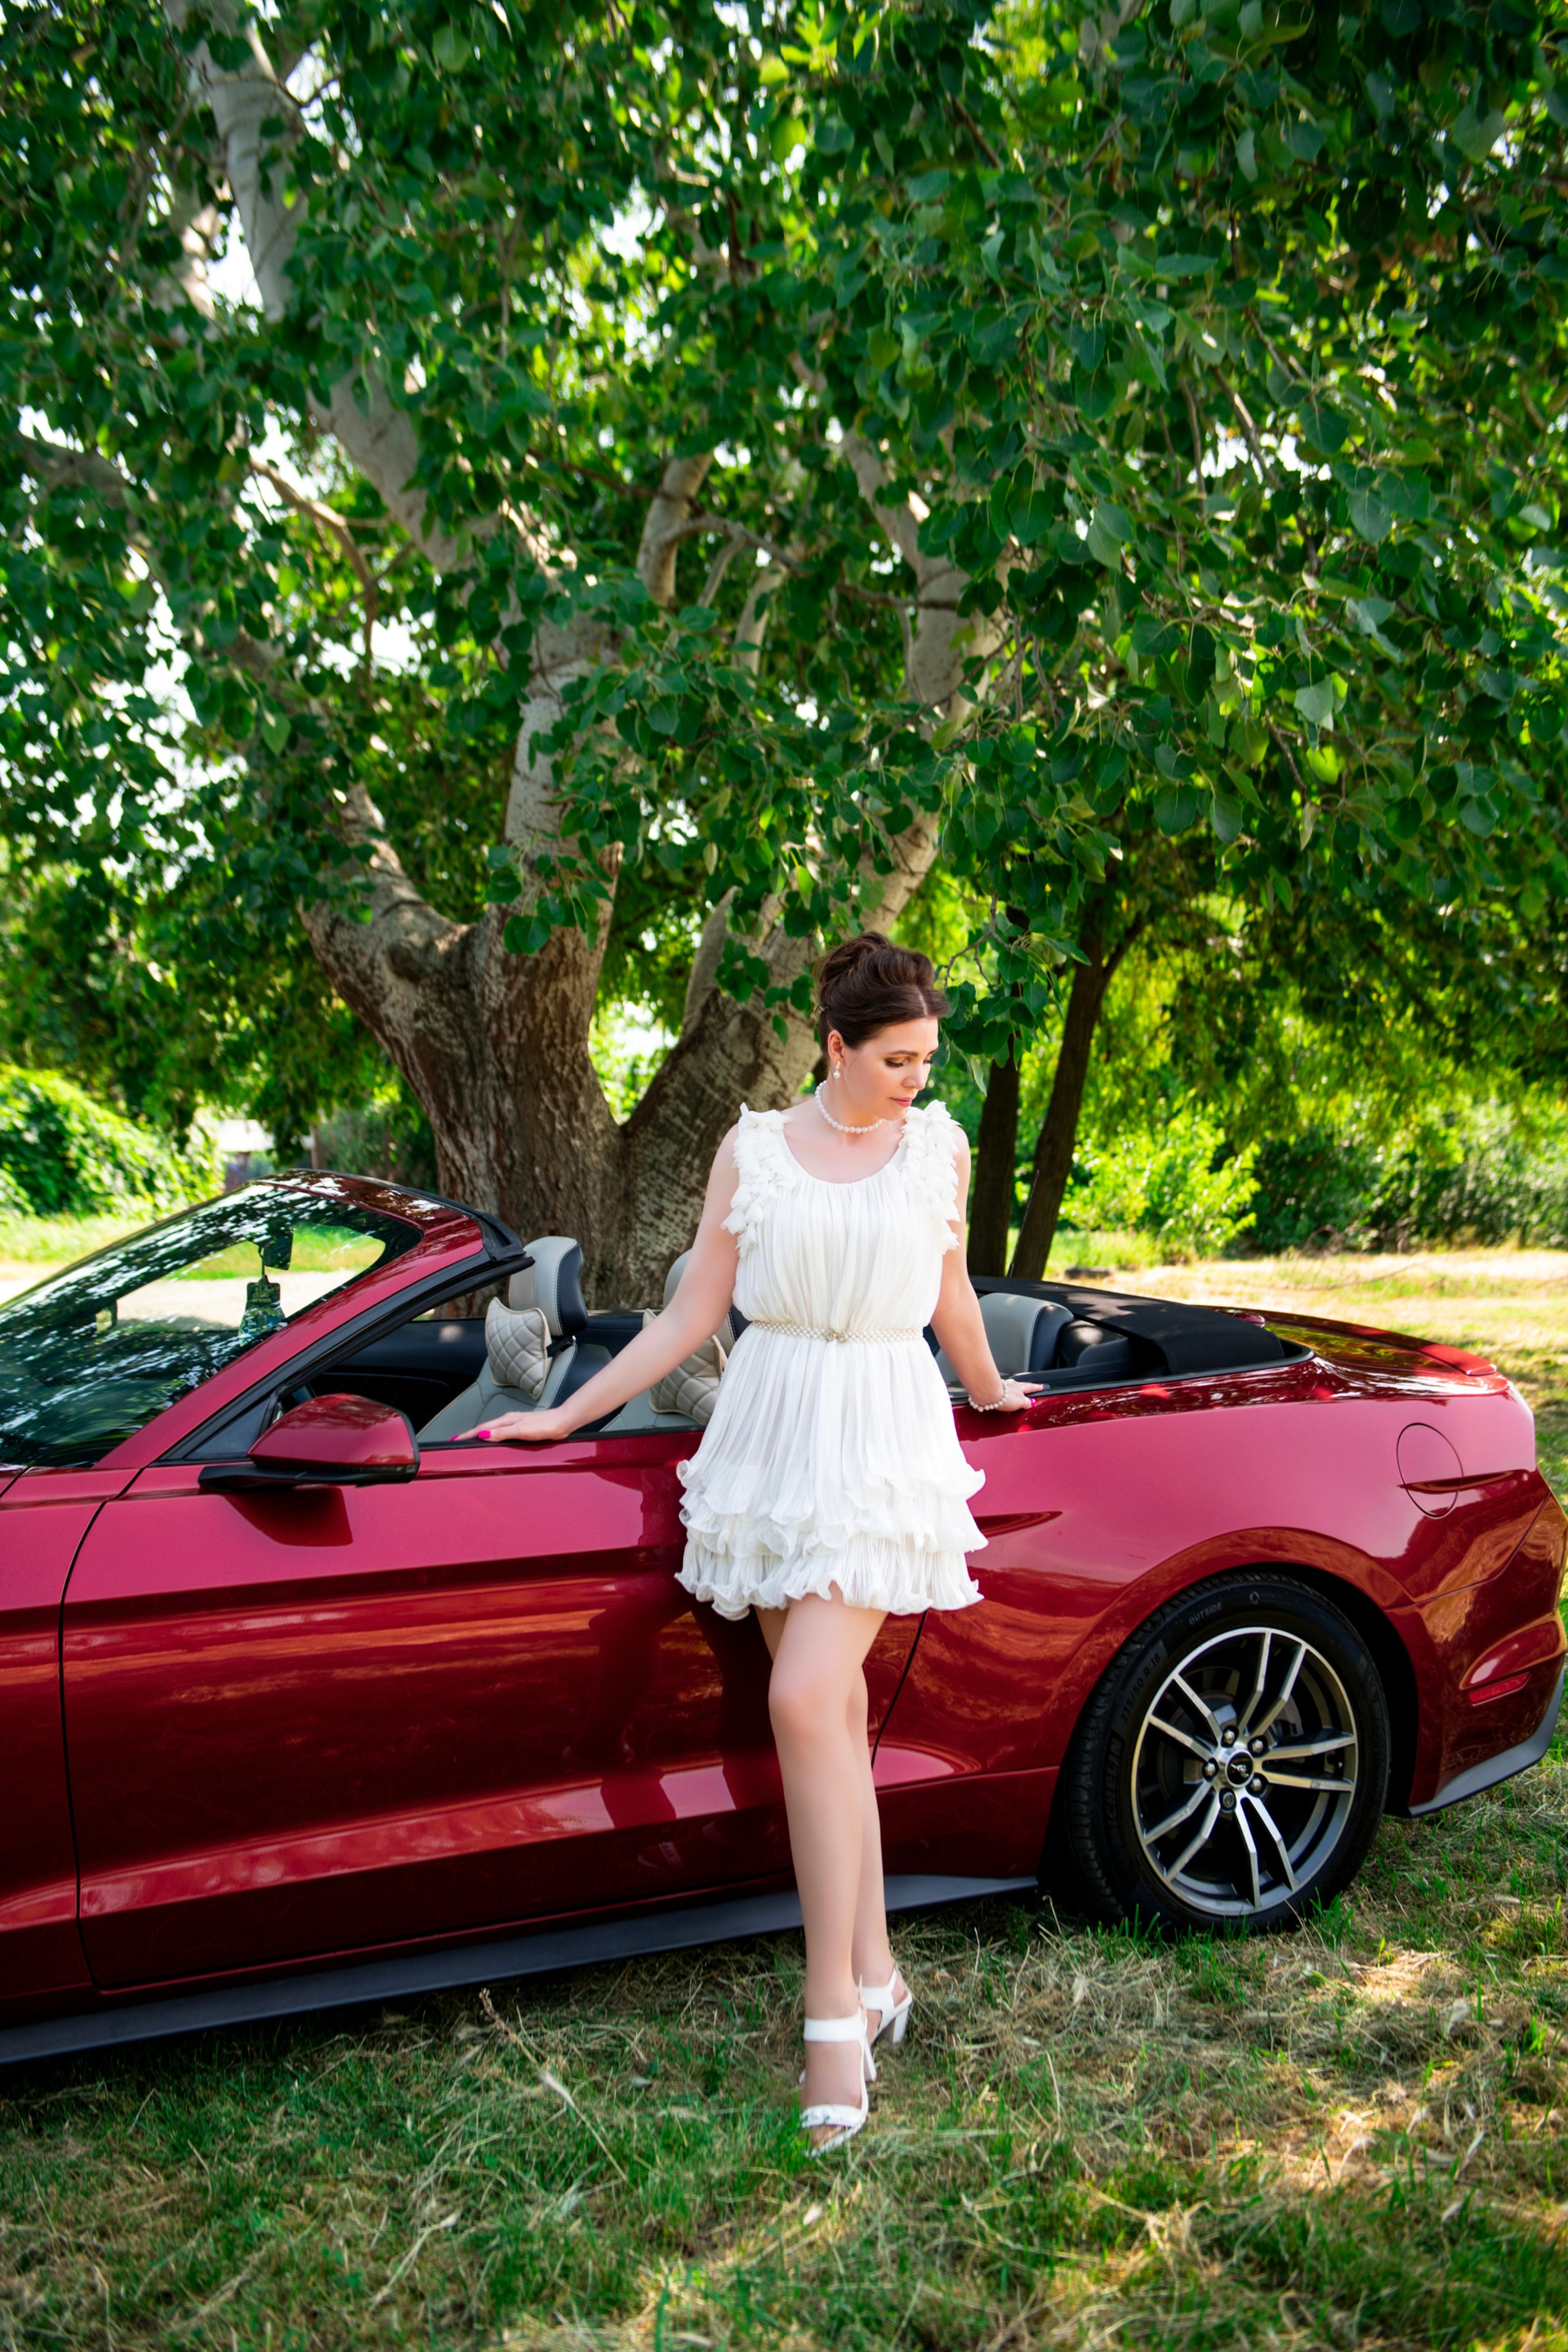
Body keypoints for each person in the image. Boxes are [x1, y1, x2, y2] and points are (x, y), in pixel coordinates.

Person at [460, 933, 1036, 2149]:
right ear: (836, 1047)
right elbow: (694, 1308)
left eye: (927, 1059)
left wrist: (991, 1393)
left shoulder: (938, 1147)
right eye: (897, 1059)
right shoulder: (756, 1148)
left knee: (804, 1699)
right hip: (772, 1431)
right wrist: (567, 1412)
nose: (918, 1079)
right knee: (829, 1722)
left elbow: (951, 1297)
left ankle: (831, 2015)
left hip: (878, 1431)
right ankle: (878, 1974)